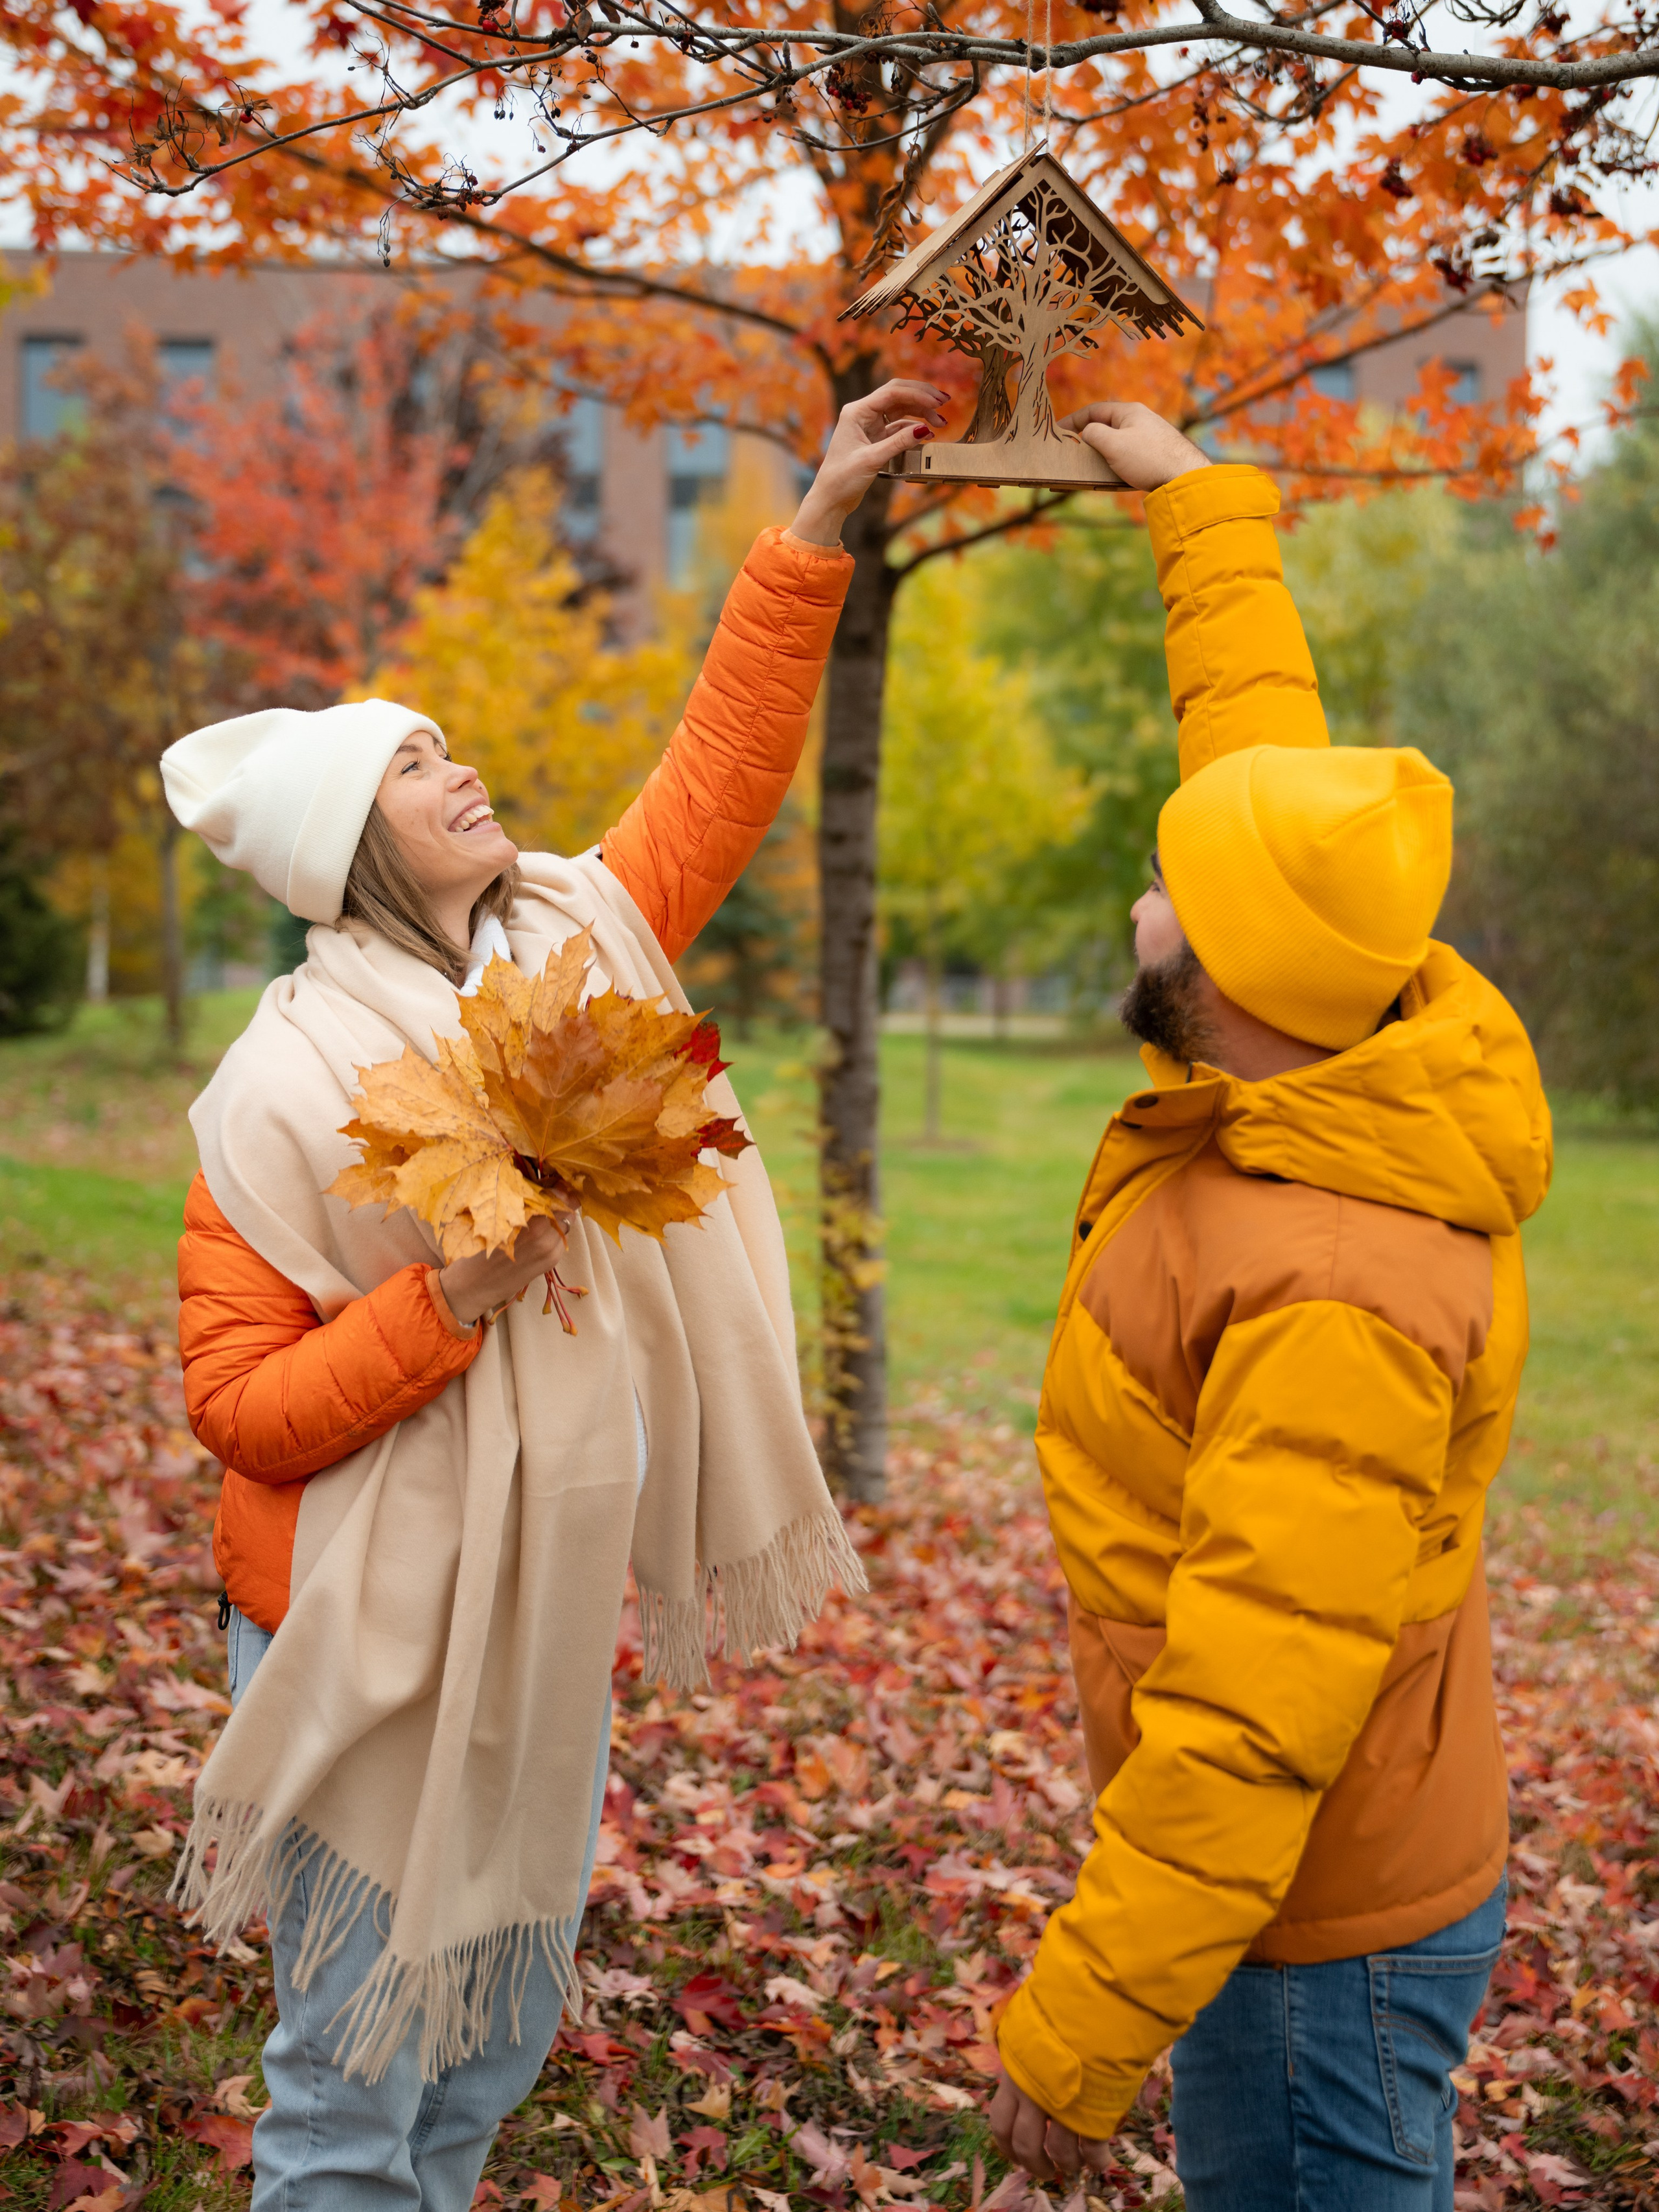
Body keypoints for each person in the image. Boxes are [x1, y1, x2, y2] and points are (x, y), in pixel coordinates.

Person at [160, 376, 949, 2212]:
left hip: (537, 1603)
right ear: (357, 843)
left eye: (452, 746)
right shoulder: (279, 1088)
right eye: (421, 765)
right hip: (357, 1625)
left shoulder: (578, 939)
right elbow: (239, 1410)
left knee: (485, 2059)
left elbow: (719, 774)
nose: (467, 770)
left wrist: (815, 523)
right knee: (356, 2079)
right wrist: (447, 1301)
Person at [987, 401, 1553, 2212]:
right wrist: (1196, 514)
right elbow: (1263, 772)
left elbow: (1257, 1712)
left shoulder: (1332, 1282)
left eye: (1171, 899)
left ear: (1223, 977)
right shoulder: (1339, 1032)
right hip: (1296, 1882)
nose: (1143, 902)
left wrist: (1076, 2038)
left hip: (1320, 1931)